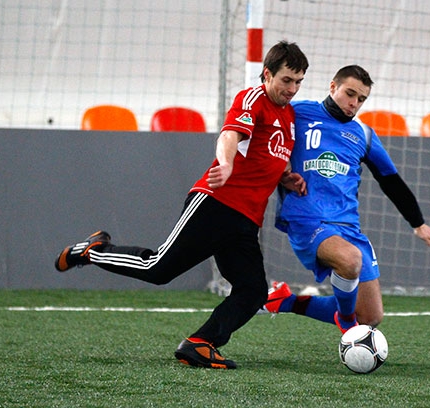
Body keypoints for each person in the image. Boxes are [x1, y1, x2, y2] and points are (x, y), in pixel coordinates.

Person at [55, 41, 309, 369]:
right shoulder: (252, 99)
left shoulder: (289, 116)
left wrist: (286, 177)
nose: (292, 89)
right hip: (216, 204)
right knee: (158, 269)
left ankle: (201, 343)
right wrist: (226, 163)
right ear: (268, 74)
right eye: (287, 80)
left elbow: (268, 156)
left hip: (246, 220)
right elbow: (229, 136)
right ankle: (93, 251)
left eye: (298, 81)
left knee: (253, 291)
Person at [265, 65, 430, 333]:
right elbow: (264, 138)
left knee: (370, 316)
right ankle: (346, 325)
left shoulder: (364, 134)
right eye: (350, 94)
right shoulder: (296, 113)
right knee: (350, 260)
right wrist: (281, 172)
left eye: (361, 99)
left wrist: (418, 223)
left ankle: (285, 301)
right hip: (306, 218)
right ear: (333, 86)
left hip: (348, 226)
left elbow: (390, 180)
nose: (354, 103)